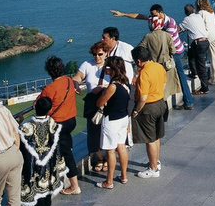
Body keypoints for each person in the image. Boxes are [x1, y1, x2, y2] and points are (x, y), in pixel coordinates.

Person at [111, 4, 193, 108]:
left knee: (179, 76)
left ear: (161, 13)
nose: (152, 17)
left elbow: (165, 44)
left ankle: (188, 102)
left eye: (154, 14)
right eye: (151, 15)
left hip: (175, 52)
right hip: (168, 52)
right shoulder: (155, 19)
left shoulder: (170, 23)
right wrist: (123, 14)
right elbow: (139, 16)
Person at [19, 96, 67, 206]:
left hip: (33, 163)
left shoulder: (27, 126)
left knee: (36, 187)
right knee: (48, 185)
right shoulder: (52, 123)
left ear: (35, 107)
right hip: (50, 162)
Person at [39, 55, 81, 195]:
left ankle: (74, 186)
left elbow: (39, 104)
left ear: (49, 71)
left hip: (58, 124)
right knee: (66, 148)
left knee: (64, 154)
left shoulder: (49, 88)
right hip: (71, 121)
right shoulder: (68, 80)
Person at [71, 41, 110, 173]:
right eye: (94, 54)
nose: (97, 57)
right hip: (93, 104)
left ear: (106, 53)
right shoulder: (87, 64)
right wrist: (76, 85)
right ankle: (99, 158)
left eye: (100, 54)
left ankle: (107, 158)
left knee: (107, 131)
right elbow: (77, 77)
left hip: (108, 102)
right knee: (93, 133)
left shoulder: (111, 65)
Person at [130, 45, 167, 179]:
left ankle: (153, 169)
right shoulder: (158, 66)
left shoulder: (144, 73)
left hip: (148, 107)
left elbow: (143, 97)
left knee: (149, 138)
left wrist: (136, 111)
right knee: (157, 135)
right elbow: (164, 84)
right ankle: (156, 161)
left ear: (138, 61)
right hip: (160, 102)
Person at [95, 56, 131, 189]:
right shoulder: (126, 82)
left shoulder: (112, 87)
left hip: (111, 120)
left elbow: (99, 103)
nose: (105, 69)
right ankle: (123, 176)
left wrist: (102, 92)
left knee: (110, 151)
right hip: (123, 118)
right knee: (121, 146)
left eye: (107, 67)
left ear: (112, 69)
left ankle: (108, 181)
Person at [139, 15, 187, 109]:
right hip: (167, 66)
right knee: (166, 89)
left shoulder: (148, 36)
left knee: (157, 89)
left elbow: (140, 48)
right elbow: (173, 50)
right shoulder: (167, 35)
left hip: (155, 66)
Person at [179, 3, 210, 95]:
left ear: (185, 13)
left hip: (198, 43)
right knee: (190, 54)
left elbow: (178, 29)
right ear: (194, 10)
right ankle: (194, 72)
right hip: (205, 41)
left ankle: (204, 88)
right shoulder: (198, 16)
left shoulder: (186, 20)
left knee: (201, 66)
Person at [197, 0, 215, 85]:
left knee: (213, 59)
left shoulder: (201, 13)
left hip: (211, 37)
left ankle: (214, 80)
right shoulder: (210, 12)